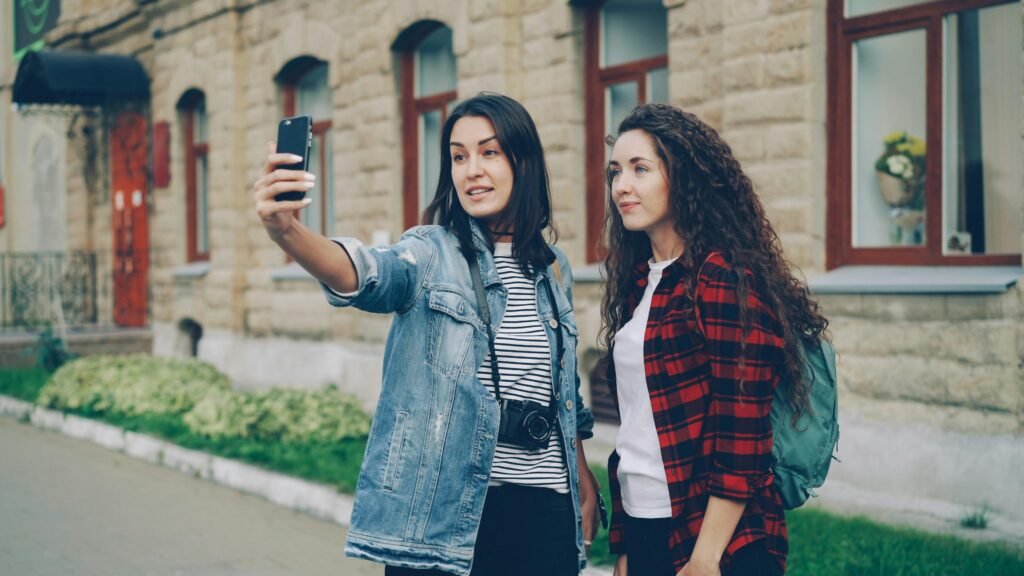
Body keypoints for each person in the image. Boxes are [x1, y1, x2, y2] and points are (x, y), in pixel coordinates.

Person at [253, 92, 600, 576]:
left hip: (545, 511)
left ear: (523, 162)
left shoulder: (554, 267)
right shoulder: (431, 253)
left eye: (489, 152)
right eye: (458, 157)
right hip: (448, 518)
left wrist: (581, 476)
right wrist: (287, 232)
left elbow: (560, 388)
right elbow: (366, 273)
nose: (472, 170)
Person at [600, 103, 829, 576]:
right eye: (615, 171)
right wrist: (626, 549)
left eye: (640, 169)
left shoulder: (722, 277)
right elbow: (636, 429)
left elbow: (743, 433)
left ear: (682, 177)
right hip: (646, 526)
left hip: (716, 541)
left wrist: (706, 556)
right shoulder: (640, 282)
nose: (621, 185)